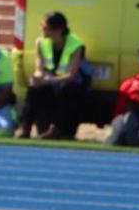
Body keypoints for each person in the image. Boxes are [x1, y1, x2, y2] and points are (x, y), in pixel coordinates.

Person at [18, 11, 90, 140]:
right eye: (42, 26)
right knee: (33, 89)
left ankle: (55, 129)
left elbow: (71, 76)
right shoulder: (40, 42)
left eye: (46, 28)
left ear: (59, 30)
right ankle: (25, 128)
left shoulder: (76, 45)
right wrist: (37, 78)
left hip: (73, 83)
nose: (42, 31)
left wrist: (47, 81)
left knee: (66, 91)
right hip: (52, 80)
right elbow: (39, 68)